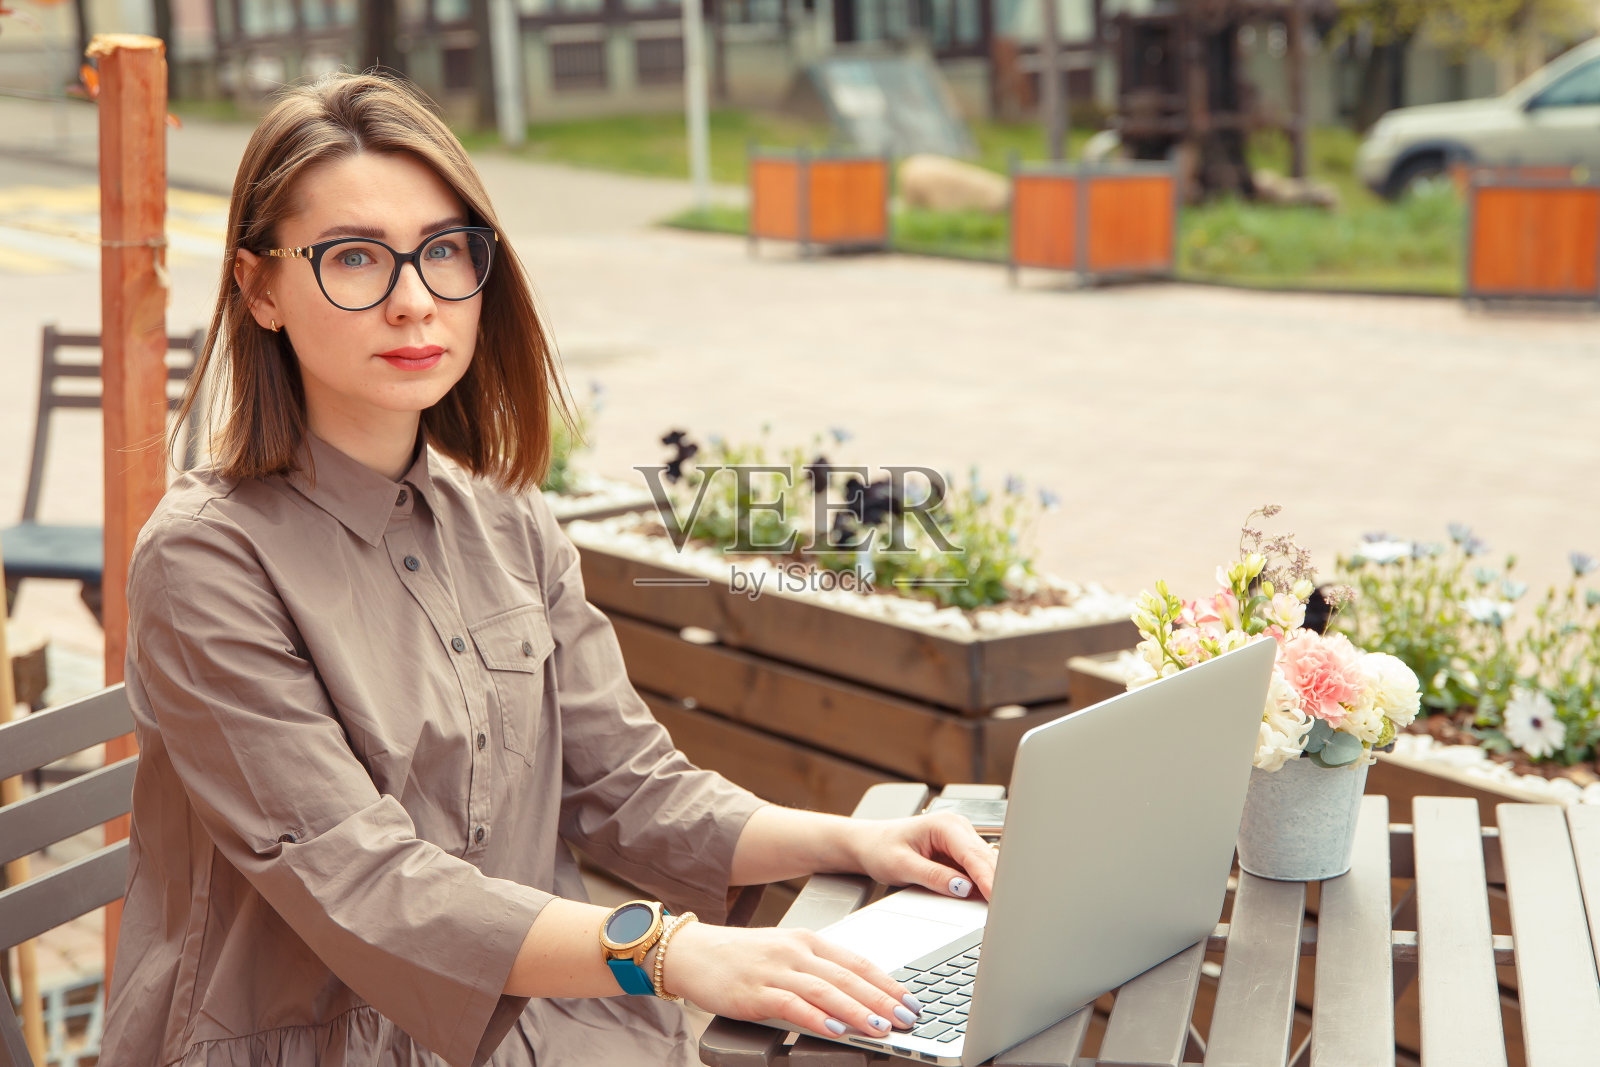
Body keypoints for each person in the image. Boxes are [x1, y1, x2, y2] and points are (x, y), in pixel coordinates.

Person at [99, 71, 996, 1067]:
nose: (411, 301)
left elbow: (625, 783)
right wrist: (668, 949)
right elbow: (360, 875)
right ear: (260, 286)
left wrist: (851, 840)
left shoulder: (508, 520)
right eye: (354, 258)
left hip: (545, 1029)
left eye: (443, 252)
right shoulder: (206, 557)